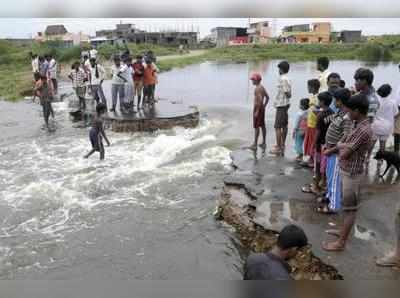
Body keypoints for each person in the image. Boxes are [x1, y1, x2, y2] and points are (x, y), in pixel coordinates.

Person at [322, 93, 373, 252]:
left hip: (352, 173)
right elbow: (343, 142)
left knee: (350, 209)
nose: (348, 113)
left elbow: (344, 152)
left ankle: (341, 243)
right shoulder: (356, 123)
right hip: (346, 170)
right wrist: (336, 147)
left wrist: (340, 146)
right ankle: (341, 232)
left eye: (350, 110)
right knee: (346, 206)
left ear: (357, 110)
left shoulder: (364, 129)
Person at [319, 88, 352, 214]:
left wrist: (331, 149)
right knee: (329, 176)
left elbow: (345, 137)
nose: (334, 102)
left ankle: (333, 206)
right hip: (330, 150)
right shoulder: (339, 113)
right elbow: (328, 121)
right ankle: (328, 197)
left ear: (340, 101)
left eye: (335, 100)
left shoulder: (347, 117)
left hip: (336, 153)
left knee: (334, 180)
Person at [243, 225, 308, 280]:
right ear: (294, 249)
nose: (297, 254)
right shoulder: (284, 278)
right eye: (299, 251)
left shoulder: (252, 258)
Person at [314, 91, 334, 194]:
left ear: (322, 102)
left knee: (318, 164)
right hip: (329, 142)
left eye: (319, 101)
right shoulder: (332, 112)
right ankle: (324, 182)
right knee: (326, 164)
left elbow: (317, 131)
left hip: (320, 143)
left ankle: (317, 186)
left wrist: (313, 143)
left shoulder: (320, 115)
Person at [270, 61, 292, 156]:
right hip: (285, 104)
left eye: (279, 68)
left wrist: (288, 95)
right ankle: (282, 144)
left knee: (278, 126)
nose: (278, 70)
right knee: (284, 125)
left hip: (281, 105)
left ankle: (279, 147)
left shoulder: (283, 79)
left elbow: (287, 93)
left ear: (281, 69)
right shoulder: (287, 78)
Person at [371, 84, 398, 155]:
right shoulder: (392, 102)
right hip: (387, 127)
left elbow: (370, 114)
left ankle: (366, 160)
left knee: (371, 145)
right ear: (389, 93)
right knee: (382, 147)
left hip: (375, 126)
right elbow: (396, 114)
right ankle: (379, 163)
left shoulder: (375, 100)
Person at [249, 73, 269, 151]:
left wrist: (257, 110)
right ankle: (264, 142)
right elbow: (267, 97)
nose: (252, 81)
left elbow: (260, 99)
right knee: (262, 125)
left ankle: (255, 144)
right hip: (262, 109)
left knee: (256, 127)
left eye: (253, 80)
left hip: (258, 108)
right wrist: (264, 106)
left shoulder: (257, 89)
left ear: (257, 80)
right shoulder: (262, 87)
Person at [303, 79, 321, 168]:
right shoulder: (312, 97)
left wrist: (315, 108)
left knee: (313, 142)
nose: (307, 88)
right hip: (310, 123)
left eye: (308, 87)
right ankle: (311, 158)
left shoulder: (318, 98)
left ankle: (313, 160)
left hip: (314, 124)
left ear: (313, 87)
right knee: (310, 142)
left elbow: (318, 111)